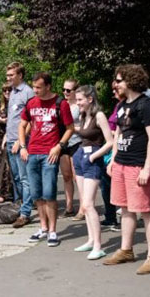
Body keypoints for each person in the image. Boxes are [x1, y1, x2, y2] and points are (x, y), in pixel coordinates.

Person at [103, 64, 150, 274]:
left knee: (147, 211)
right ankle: (126, 250)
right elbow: (119, 133)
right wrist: (113, 160)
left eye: (118, 80)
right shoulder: (121, 105)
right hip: (121, 164)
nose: (115, 84)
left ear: (130, 81)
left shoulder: (147, 105)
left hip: (138, 165)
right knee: (125, 208)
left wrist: (147, 168)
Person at [18, 72, 74, 247]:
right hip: (32, 153)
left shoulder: (60, 104)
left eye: (38, 87)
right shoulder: (31, 103)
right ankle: (43, 227)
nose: (35, 90)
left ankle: (52, 231)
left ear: (48, 86)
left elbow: (70, 128)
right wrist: (22, 146)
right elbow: (22, 124)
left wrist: (59, 146)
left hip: (49, 153)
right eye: (33, 87)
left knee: (49, 193)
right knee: (36, 194)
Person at [72, 85, 114, 259]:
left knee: (89, 204)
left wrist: (94, 156)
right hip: (81, 156)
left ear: (90, 99)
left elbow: (110, 141)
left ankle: (98, 245)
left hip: (92, 160)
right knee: (84, 203)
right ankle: (90, 240)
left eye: (80, 99)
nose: (77, 103)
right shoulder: (83, 116)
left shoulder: (99, 116)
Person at [5, 62, 36, 228]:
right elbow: (13, 117)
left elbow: (31, 120)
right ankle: (21, 205)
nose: (8, 78)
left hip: (21, 142)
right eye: (8, 75)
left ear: (20, 75)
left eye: (11, 75)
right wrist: (7, 137)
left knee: (24, 178)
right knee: (16, 177)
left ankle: (25, 213)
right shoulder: (13, 92)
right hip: (10, 140)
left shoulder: (28, 92)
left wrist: (20, 140)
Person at [101, 81, 123, 231]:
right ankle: (110, 217)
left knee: (117, 185)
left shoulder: (128, 106)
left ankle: (120, 218)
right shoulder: (118, 106)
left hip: (122, 149)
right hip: (111, 150)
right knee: (106, 185)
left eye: (116, 89)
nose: (114, 92)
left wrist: (113, 134)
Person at [59, 79, 80, 218]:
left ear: (75, 91)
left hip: (77, 142)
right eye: (64, 90)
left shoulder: (79, 105)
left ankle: (83, 208)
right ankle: (69, 206)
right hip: (63, 143)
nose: (65, 92)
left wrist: (72, 129)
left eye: (68, 90)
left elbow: (86, 125)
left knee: (77, 177)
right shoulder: (61, 105)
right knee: (66, 176)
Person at [0, 83, 14, 203]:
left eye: (9, 90)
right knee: (1, 165)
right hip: (1, 135)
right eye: (4, 90)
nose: (7, 93)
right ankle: (1, 193)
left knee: (11, 166)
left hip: (12, 135)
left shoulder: (16, 102)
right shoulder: (1, 104)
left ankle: (12, 193)